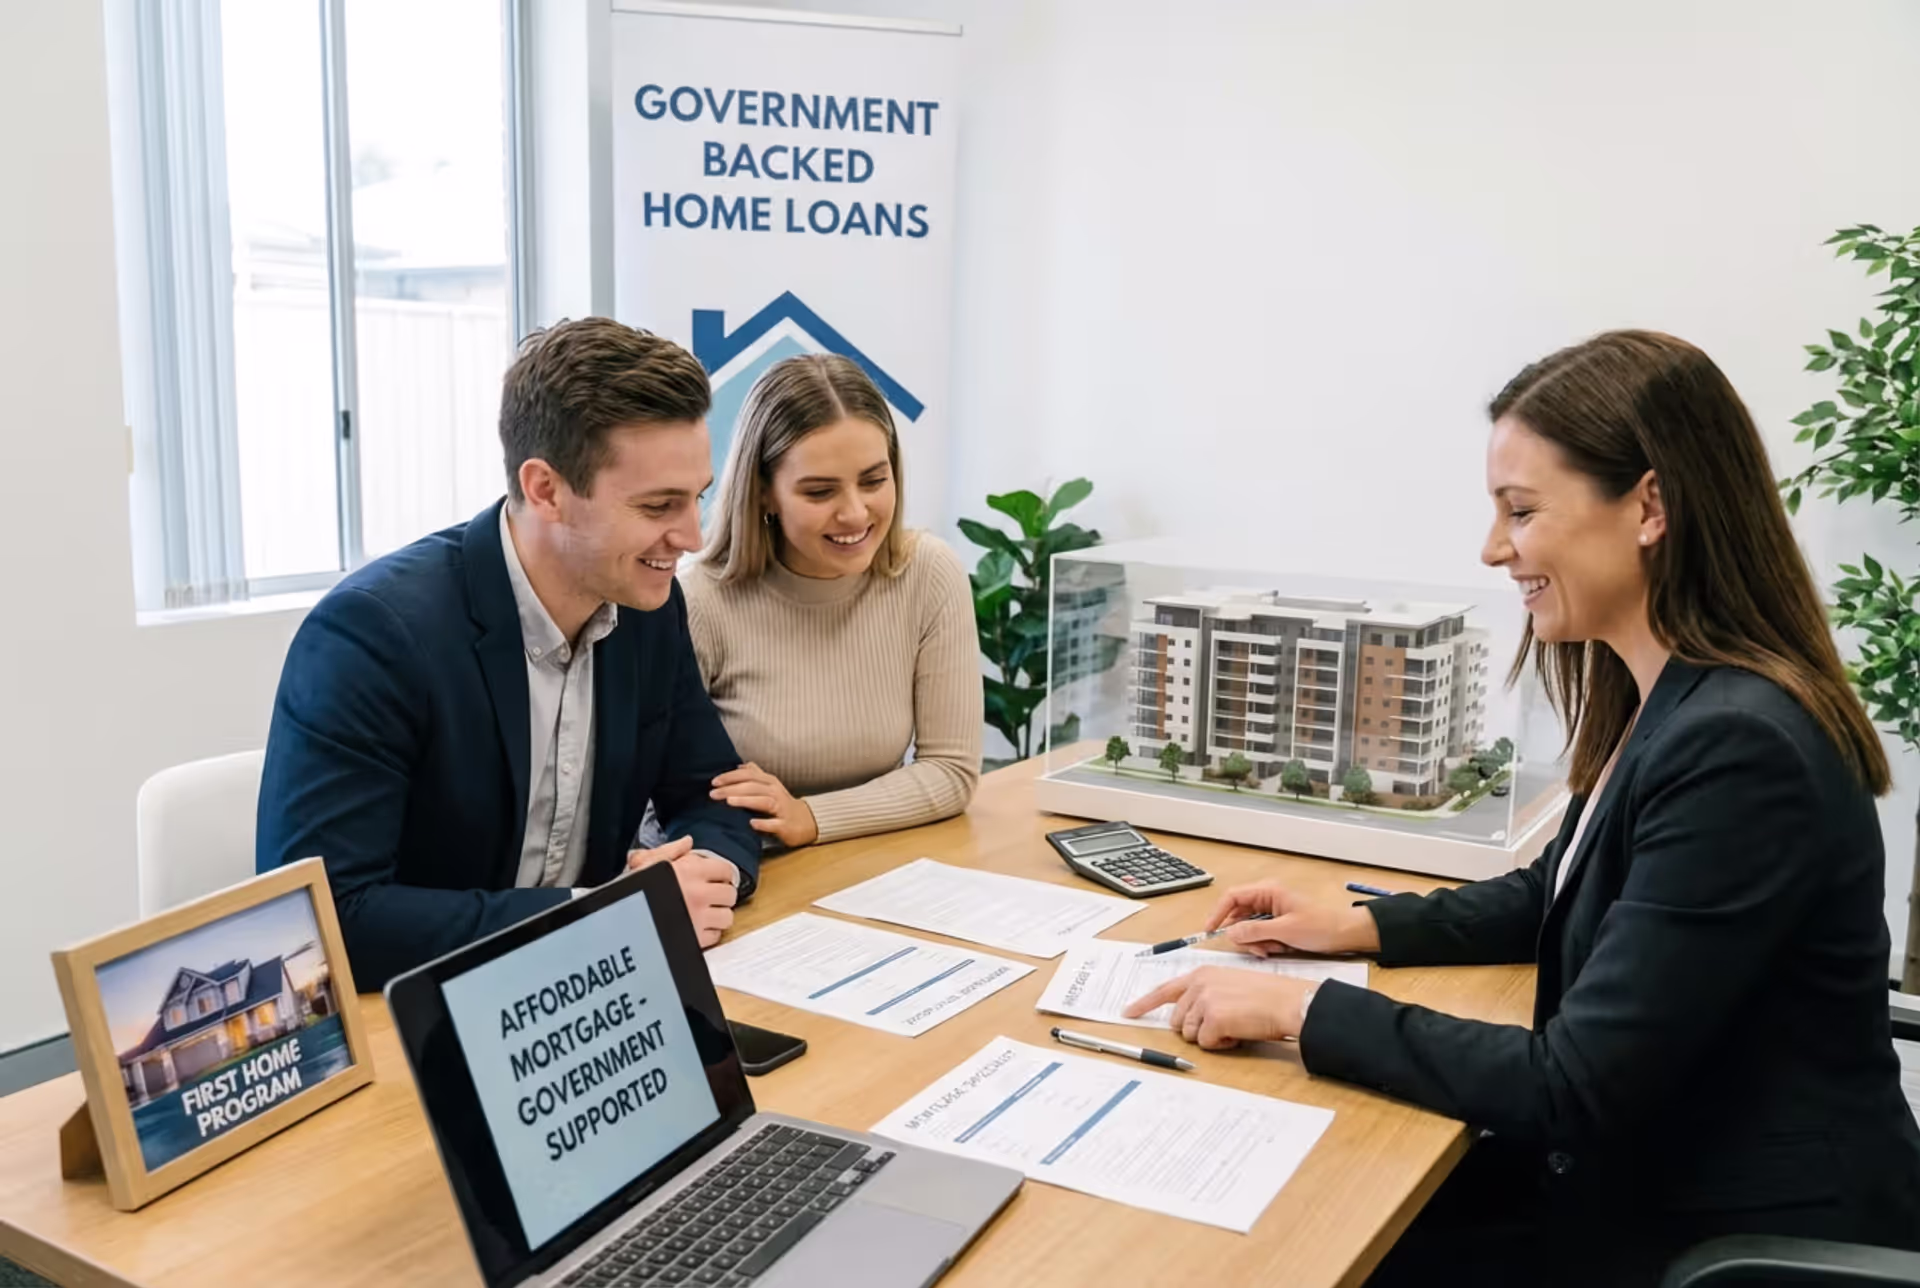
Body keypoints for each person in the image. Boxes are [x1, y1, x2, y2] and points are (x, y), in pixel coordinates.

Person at [1124, 331, 1920, 1284]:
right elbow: (1563, 886)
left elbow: (1574, 1085)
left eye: (1522, 511)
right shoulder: (1669, 692)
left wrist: (1299, 1012)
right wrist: (1349, 926)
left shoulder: (1741, 747)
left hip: (1716, 1235)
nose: (1495, 548)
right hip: (1648, 1170)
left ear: (1650, 506)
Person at [257, 319, 759, 989]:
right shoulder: (372, 636)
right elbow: (329, 921)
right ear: (547, 489)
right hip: (427, 1016)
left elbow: (715, 793)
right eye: (658, 506)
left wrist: (706, 875)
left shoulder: (647, 604)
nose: (693, 537)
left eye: (697, 498)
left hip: (592, 995)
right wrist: (599, 918)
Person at [680, 353, 980, 850]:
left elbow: (950, 771)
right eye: (820, 492)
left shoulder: (928, 572)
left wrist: (812, 817)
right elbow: (668, 802)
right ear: (763, 494)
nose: (856, 513)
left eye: (874, 480)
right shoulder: (699, 602)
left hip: (874, 864)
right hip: (750, 874)